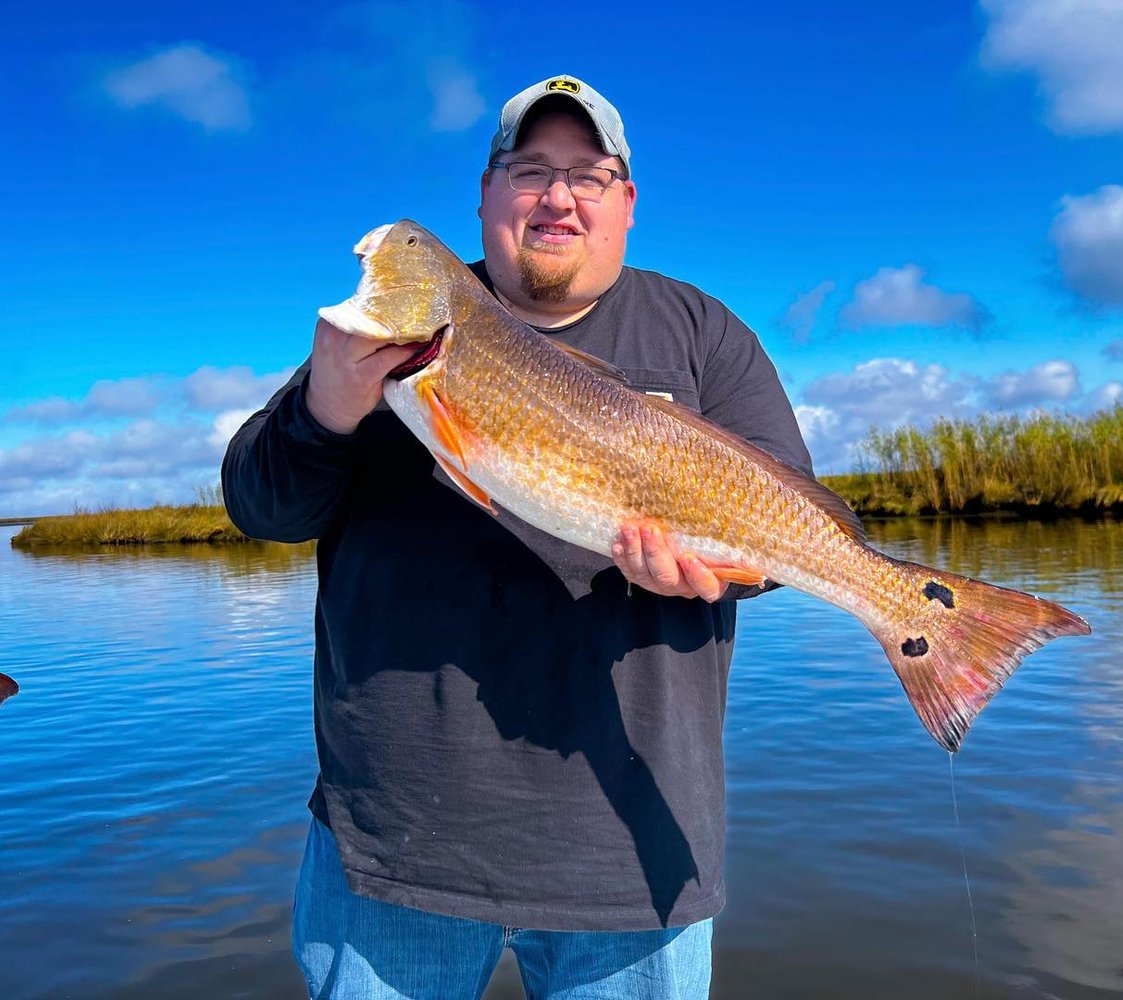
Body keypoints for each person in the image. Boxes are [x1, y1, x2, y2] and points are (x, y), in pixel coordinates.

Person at [223, 74, 812, 1000]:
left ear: (625, 203)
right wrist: (327, 407)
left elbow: (787, 521)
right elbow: (262, 510)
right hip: (391, 839)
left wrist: (722, 576)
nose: (557, 193)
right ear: (488, 195)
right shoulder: (386, 340)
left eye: (589, 172)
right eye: (529, 169)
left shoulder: (703, 333)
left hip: (632, 852)